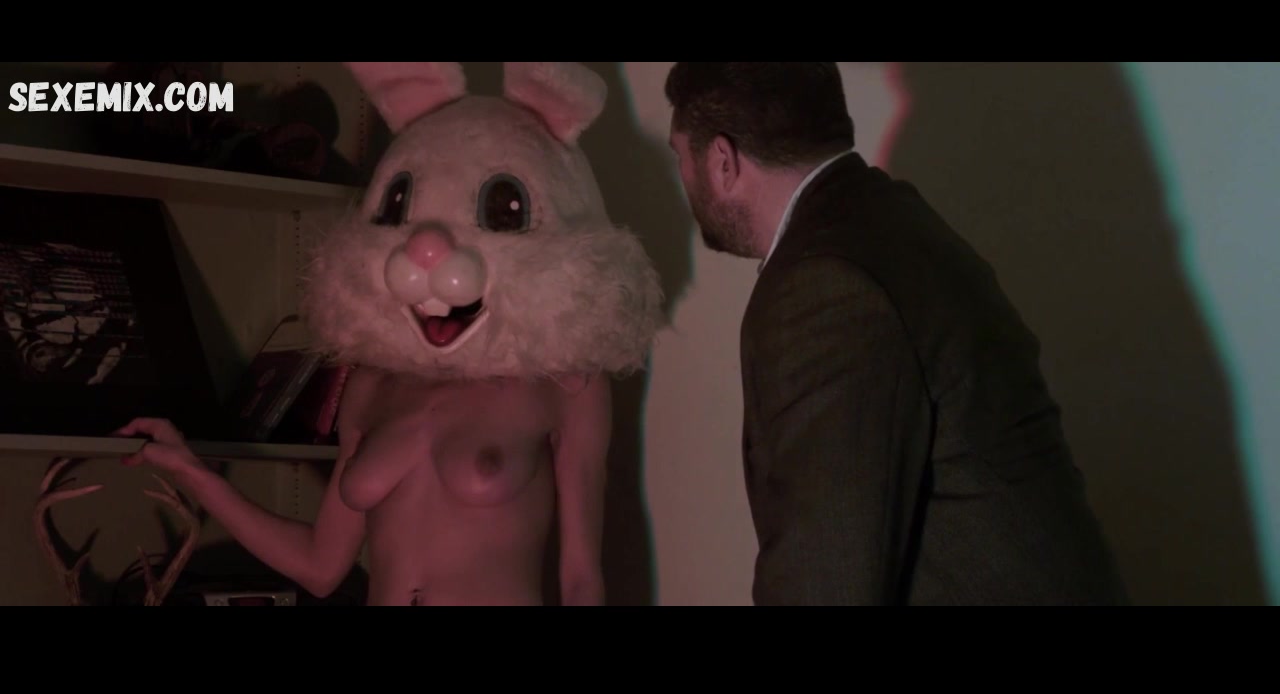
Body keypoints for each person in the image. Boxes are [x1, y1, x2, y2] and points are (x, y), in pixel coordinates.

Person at [113, 61, 665, 606]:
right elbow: (319, 567)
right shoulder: (371, 383)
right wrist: (191, 470)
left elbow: (580, 580)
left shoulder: (566, 385)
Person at [664, 62, 1129, 605]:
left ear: (723, 161)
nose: (683, 177)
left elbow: (825, 581)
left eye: (679, 157)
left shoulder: (823, 290)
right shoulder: (889, 220)